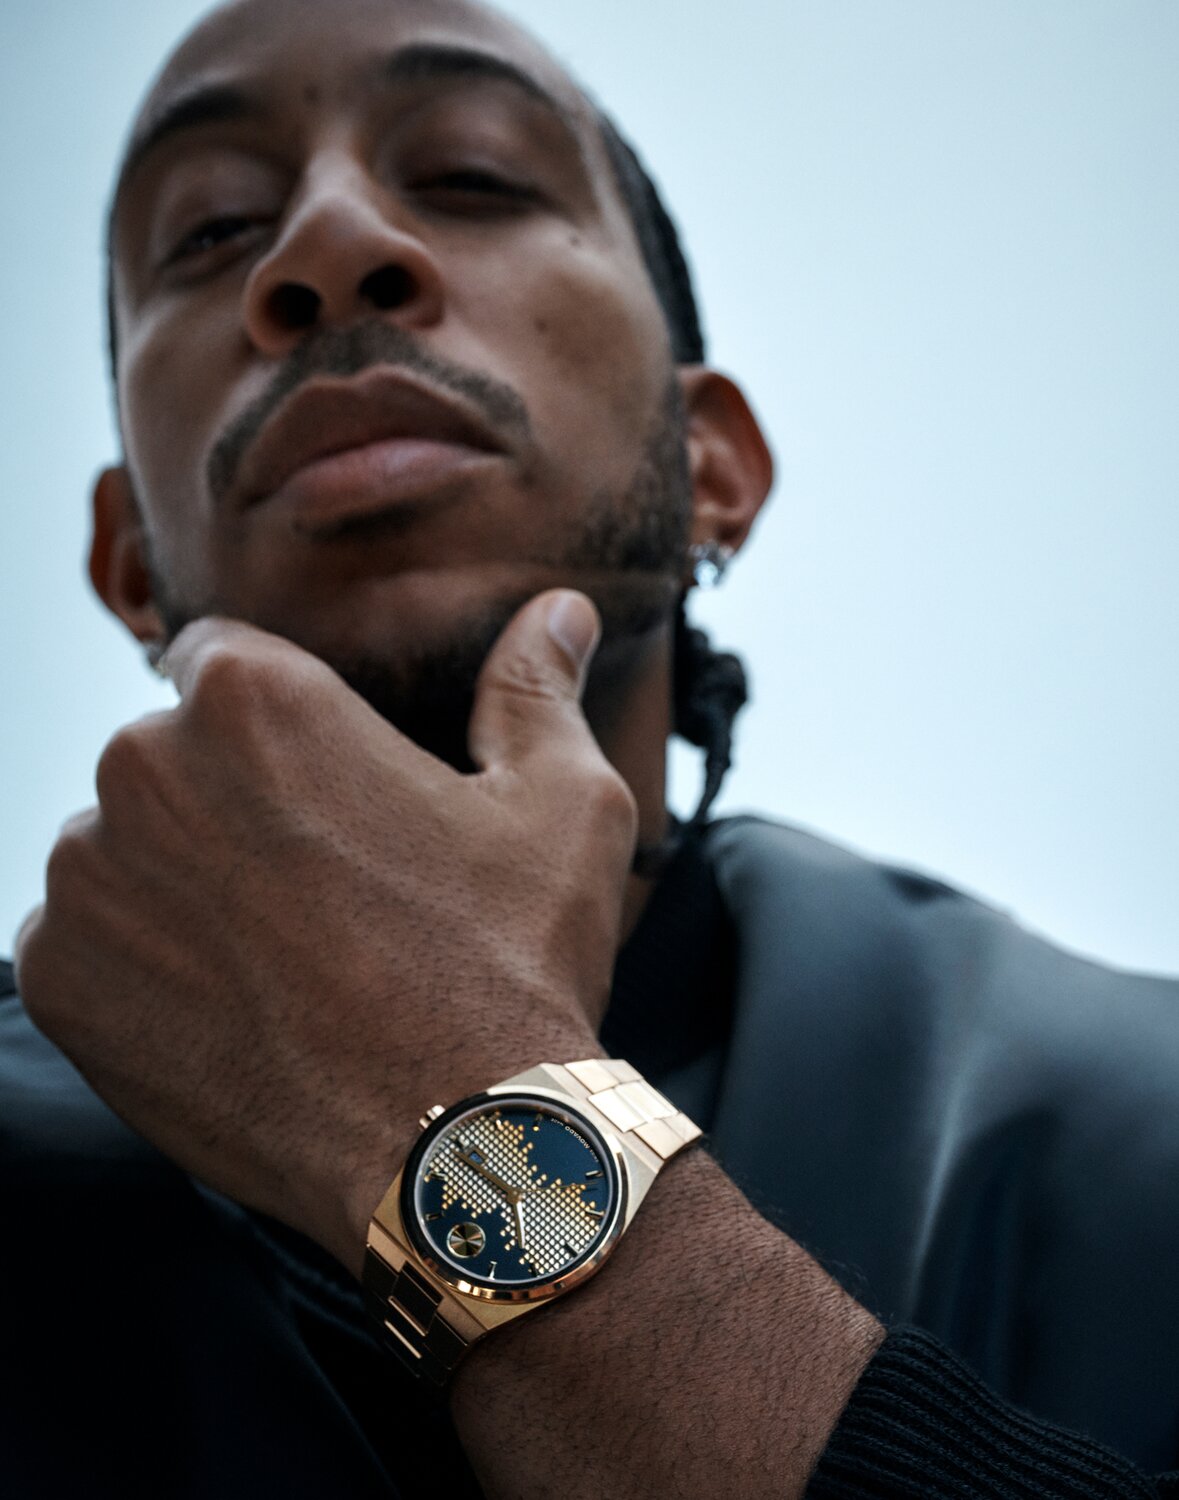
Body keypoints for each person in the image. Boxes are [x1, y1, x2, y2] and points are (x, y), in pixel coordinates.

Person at [4, 0, 1177, 1495]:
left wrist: (446, 1087)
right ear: (125, 562)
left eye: (479, 176)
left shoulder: (1146, 1116)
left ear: (711, 469)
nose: (327, 244)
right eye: (213, 228)